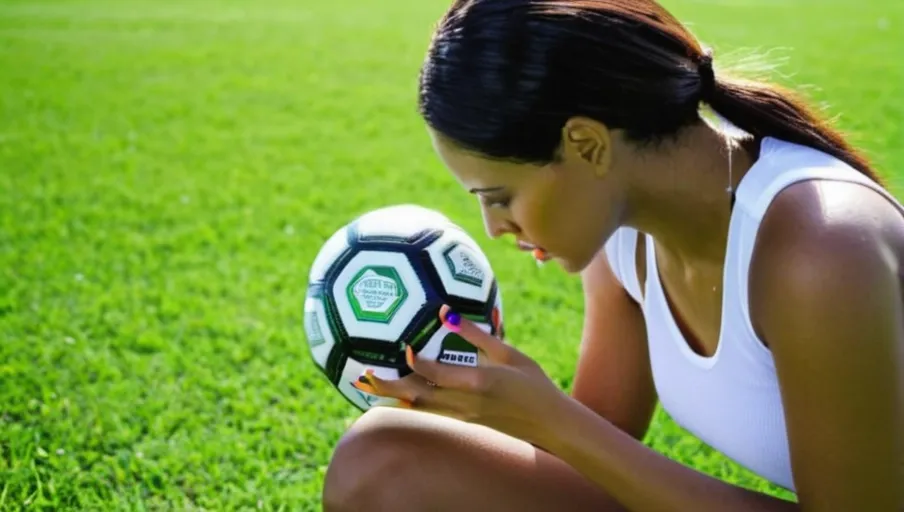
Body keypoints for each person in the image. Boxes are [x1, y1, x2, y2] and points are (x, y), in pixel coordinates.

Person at [322, 0, 904, 510]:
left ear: (586, 144)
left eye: (500, 197)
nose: (494, 227)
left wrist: (556, 419)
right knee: (381, 458)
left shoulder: (820, 249)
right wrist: (481, 410)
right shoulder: (624, 234)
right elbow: (594, 456)